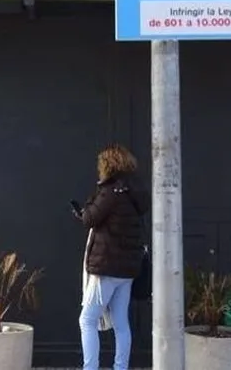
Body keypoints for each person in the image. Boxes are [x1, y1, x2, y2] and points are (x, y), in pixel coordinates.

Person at [75, 144, 147, 370]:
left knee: (87, 320)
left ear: (107, 165)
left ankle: (90, 368)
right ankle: (120, 367)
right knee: (121, 323)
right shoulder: (133, 193)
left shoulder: (109, 193)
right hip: (127, 270)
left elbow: (89, 219)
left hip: (106, 268)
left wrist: (89, 201)